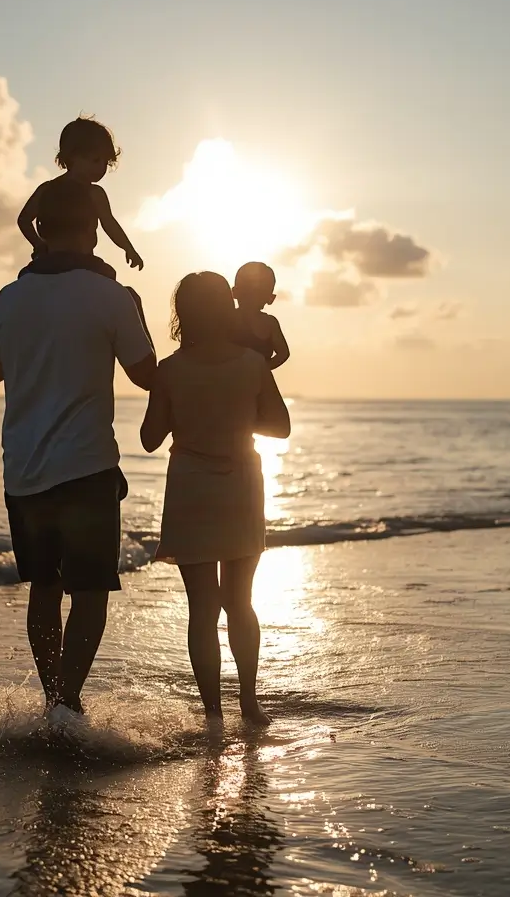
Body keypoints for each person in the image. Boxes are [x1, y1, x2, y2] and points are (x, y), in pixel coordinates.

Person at [0, 211, 156, 719]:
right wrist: (132, 318)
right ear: (91, 232)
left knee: (45, 588)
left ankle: (54, 697)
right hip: (87, 466)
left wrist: (39, 346)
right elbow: (146, 376)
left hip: (25, 471)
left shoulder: (10, 296)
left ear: (41, 235)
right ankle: (67, 703)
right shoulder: (110, 295)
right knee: (91, 591)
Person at [140, 272, 290, 725]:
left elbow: (149, 438)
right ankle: (249, 702)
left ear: (182, 314)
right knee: (240, 601)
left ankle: (212, 713)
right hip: (241, 483)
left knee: (202, 610)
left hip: (191, 487)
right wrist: (240, 416)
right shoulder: (252, 364)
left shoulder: (169, 369)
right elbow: (280, 426)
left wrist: (183, 411)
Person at [17, 116, 144, 271]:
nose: (101, 168)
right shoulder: (93, 193)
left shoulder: (45, 189)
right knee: (108, 275)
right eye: (96, 160)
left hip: (47, 261)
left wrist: (38, 244)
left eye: (106, 162)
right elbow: (109, 224)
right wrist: (128, 249)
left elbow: (24, 220)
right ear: (72, 156)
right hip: (83, 262)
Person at [231, 262, 290, 369]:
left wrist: (262, 369)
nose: (251, 298)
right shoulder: (227, 318)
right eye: (247, 292)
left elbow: (283, 354)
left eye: (257, 293)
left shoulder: (270, 323)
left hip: (255, 382)